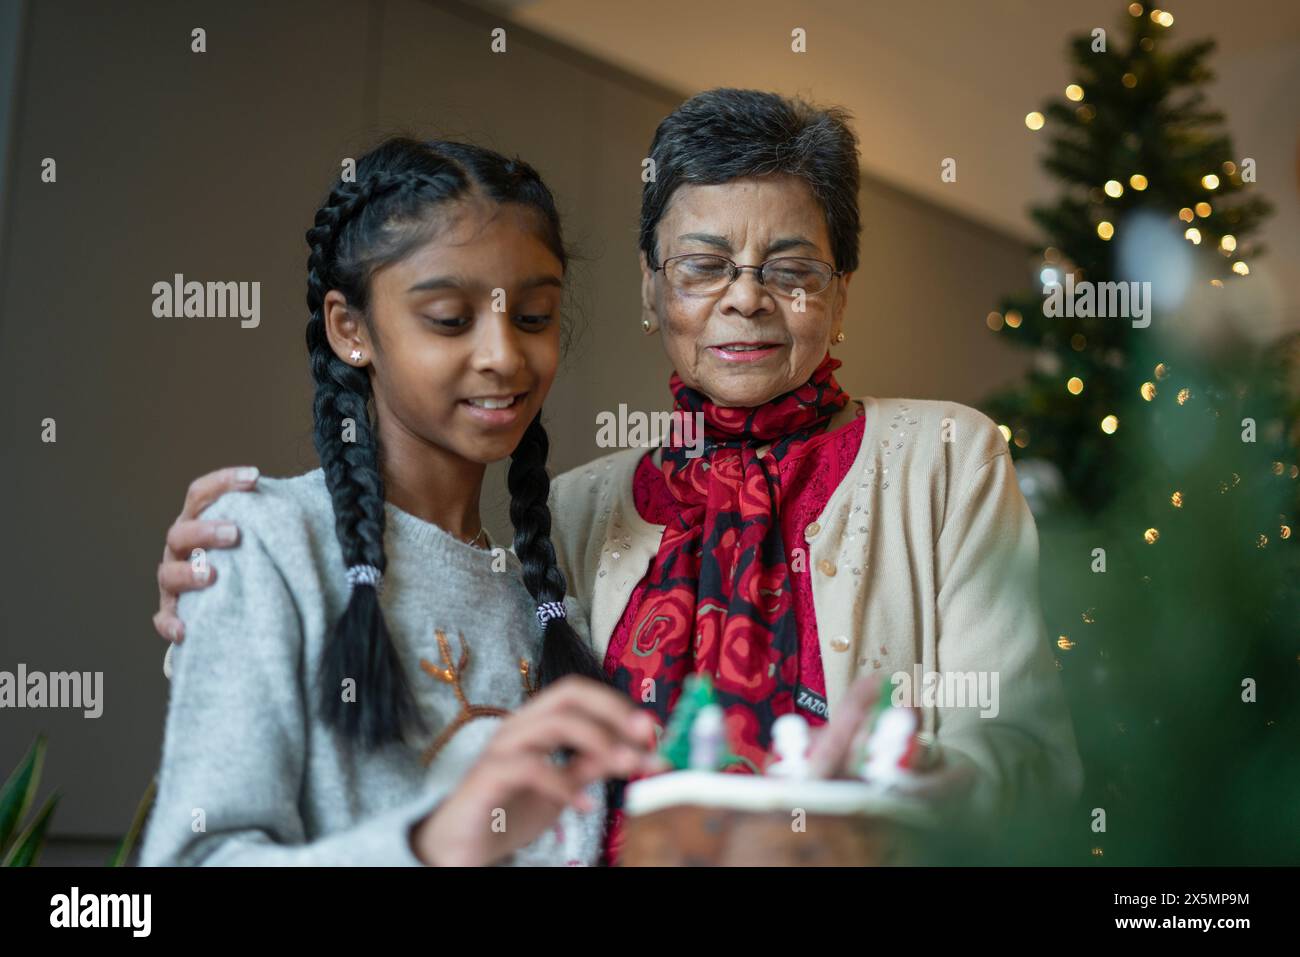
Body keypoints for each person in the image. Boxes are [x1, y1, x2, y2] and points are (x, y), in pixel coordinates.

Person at [152, 90, 1083, 865]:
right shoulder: (571, 516)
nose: (746, 296)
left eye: (791, 268)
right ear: (651, 291)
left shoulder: (945, 460)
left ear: (841, 293)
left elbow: (1025, 751)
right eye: (703, 264)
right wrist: (226, 586)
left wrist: (905, 785)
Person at [140, 137, 658, 868]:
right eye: (449, 317)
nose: (503, 354)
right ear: (351, 329)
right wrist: (433, 844)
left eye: (534, 317)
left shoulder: (550, 610)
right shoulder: (270, 544)